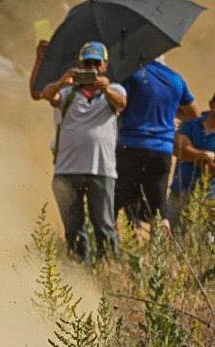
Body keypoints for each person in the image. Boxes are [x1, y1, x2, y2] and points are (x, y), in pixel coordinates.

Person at [39, 41, 128, 262]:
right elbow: (47, 95)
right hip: (67, 169)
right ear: (80, 65)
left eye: (96, 63)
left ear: (105, 65)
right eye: (87, 64)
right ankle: (80, 271)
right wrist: (62, 81)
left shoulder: (114, 90)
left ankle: (109, 270)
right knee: (73, 227)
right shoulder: (68, 92)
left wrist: (104, 87)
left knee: (104, 225)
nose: (92, 69)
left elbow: (122, 103)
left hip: (101, 169)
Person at [115, 56, 200, 226]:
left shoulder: (132, 74)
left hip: (131, 146)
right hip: (162, 150)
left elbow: (120, 105)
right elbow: (194, 113)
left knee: (118, 201)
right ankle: (163, 246)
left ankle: (112, 247)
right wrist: (171, 116)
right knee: (159, 206)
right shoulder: (176, 78)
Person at [169, 91, 215, 220]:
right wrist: (205, 155)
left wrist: (190, 153)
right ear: (212, 104)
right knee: (169, 236)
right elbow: (178, 148)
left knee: (201, 239)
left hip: (208, 200)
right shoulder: (191, 123)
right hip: (179, 192)